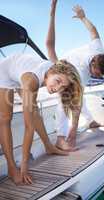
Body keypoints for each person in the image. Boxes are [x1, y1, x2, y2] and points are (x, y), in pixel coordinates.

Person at [0, 1, 83, 185]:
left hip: (21, 70)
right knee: (5, 118)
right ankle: (12, 166)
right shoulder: (31, 82)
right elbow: (29, 128)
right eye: (58, 82)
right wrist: (24, 167)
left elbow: (49, 43)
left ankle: (48, 146)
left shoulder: (56, 67)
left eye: (62, 87)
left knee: (34, 110)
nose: (57, 88)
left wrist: (52, 12)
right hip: (5, 72)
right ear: (53, 71)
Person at [46, 0, 101, 151]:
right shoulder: (72, 72)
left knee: (76, 98)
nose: (97, 76)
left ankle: (89, 121)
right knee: (65, 102)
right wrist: (53, 10)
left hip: (70, 71)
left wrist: (83, 18)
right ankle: (60, 138)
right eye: (97, 73)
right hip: (67, 68)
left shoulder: (97, 51)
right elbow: (49, 45)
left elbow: (94, 31)